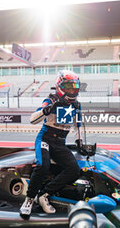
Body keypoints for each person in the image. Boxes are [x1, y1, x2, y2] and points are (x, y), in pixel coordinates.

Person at [20, 70, 85, 216]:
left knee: (74, 170)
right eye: (68, 87)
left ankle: (43, 195)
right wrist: (48, 109)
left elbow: (78, 125)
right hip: (45, 138)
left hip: (60, 142)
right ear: (60, 86)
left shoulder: (77, 105)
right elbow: (32, 120)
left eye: (74, 87)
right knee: (43, 166)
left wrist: (79, 141)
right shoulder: (51, 100)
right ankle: (29, 199)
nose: (72, 90)